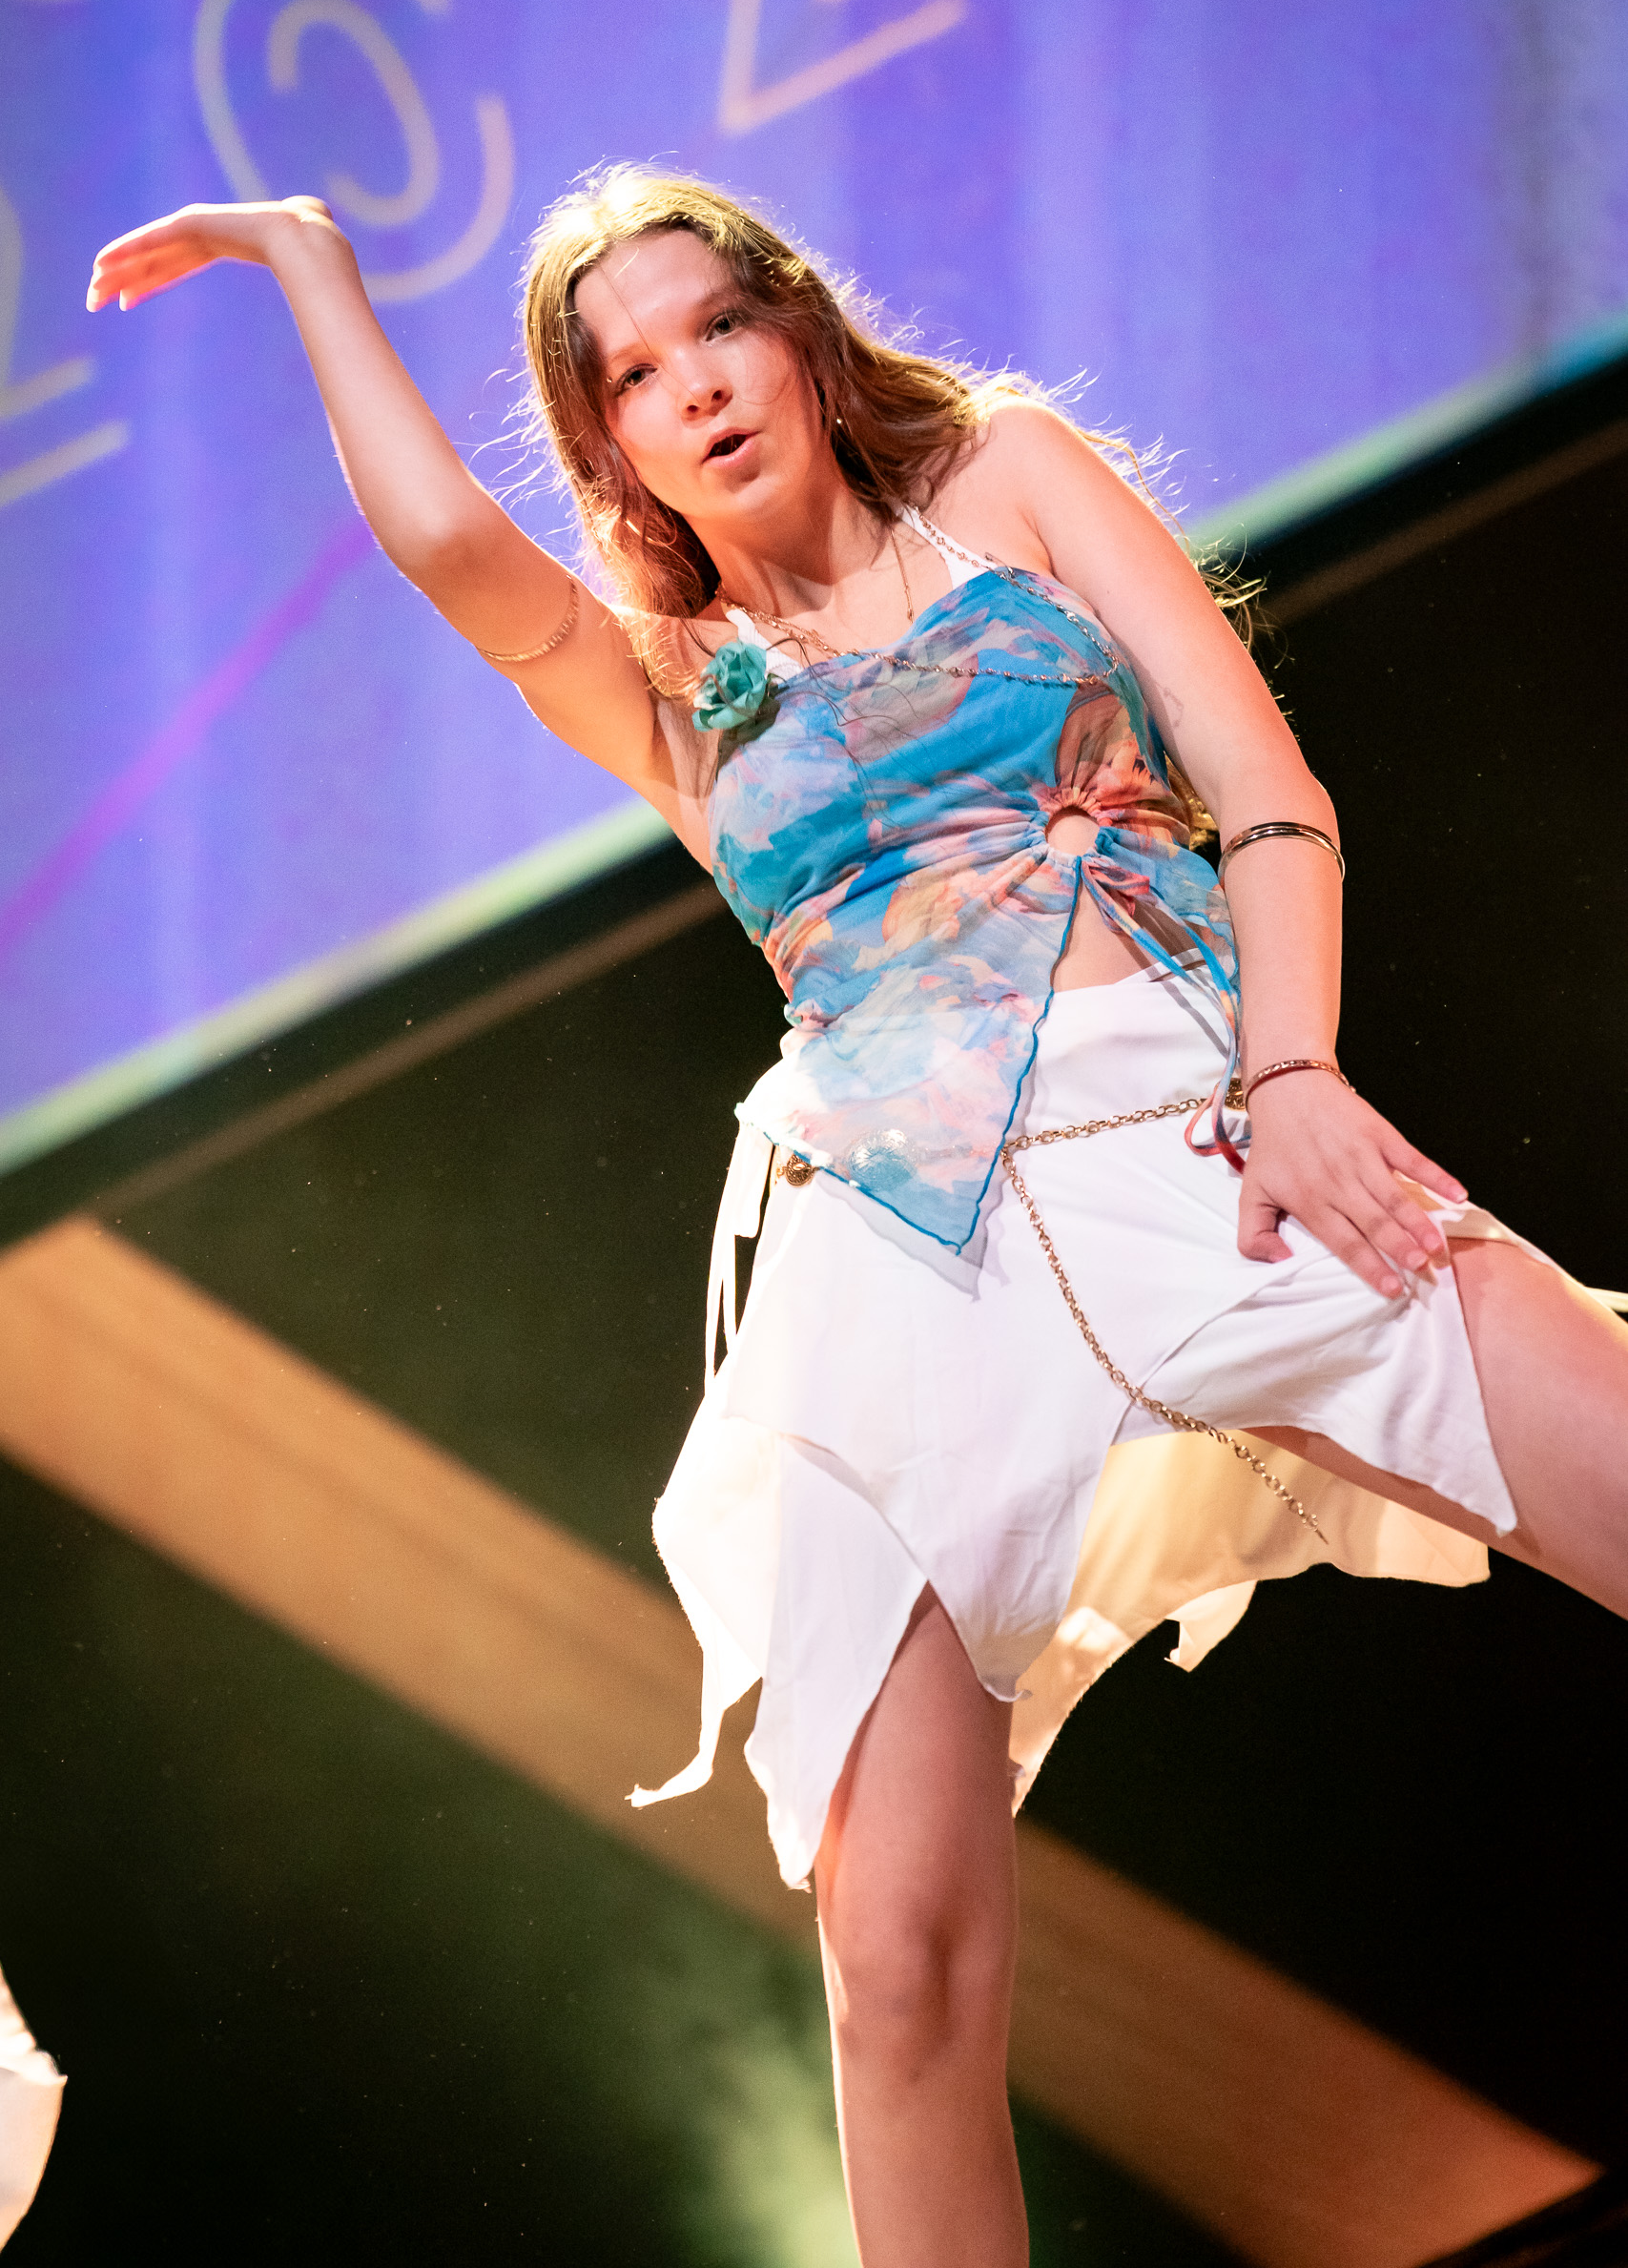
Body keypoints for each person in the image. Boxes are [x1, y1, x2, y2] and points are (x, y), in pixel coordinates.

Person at [89, 168, 1628, 2268]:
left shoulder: (1011, 476)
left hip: (1200, 1137)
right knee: (895, 1957)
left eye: (714, 327)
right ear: (611, 446)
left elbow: (1270, 791)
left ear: (797, 329)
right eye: (633, 377)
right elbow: (444, 542)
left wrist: (1294, 1082)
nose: (695, 389)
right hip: (896, 1253)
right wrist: (307, 260)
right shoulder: (658, 676)